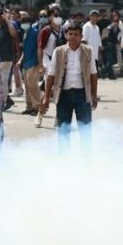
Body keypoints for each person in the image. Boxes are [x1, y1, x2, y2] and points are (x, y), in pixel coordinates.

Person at [40, 24, 98, 152]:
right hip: (63, 96)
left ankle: (87, 157)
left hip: (82, 95)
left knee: (85, 130)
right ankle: (64, 158)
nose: (73, 37)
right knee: (63, 130)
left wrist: (94, 95)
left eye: (76, 34)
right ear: (66, 36)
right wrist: (46, 97)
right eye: (70, 34)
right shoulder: (58, 51)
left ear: (81, 36)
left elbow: (93, 74)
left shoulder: (88, 51)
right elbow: (51, 75)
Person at [35, 9, 63, 127]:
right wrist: (41, 65)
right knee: (48, 90)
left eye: (59, 15)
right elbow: (40, 48)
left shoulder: (63, 31)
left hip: (60, 62)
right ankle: (40, 114)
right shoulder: (46, 31)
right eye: (55, 15)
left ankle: (59, 117)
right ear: (50, 17)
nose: (58, 17)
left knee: (60, 91)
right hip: (48, 61)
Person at [0, 9, 19, 110]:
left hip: (6, 58)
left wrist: (7, 20)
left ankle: (3, 102)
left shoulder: (9, 26)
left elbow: (14, 35)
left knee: (3, 81)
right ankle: (2, 100)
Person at [19, 13, 41, 115]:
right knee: (27, 86)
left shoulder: (35, 32)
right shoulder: (25, 33)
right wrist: (21, 60)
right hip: (26, 62)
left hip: (34, 62)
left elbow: (39, 48)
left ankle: (37, 107)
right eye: (22, 22)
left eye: (26, 22)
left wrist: (39, 62)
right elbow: (24, 50)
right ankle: (29, 106)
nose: (24, 24)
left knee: (33, 85)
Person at [101, 13, 121, 80]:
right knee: (110, 61)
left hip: (113, 45)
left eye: (117, 21)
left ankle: (111, 75)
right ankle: (103, 71)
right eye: (115, 21)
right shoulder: (109, 28)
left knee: (112, 60)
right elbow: (104, 37)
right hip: (109, 45)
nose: (116, 22)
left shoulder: (118, 28)